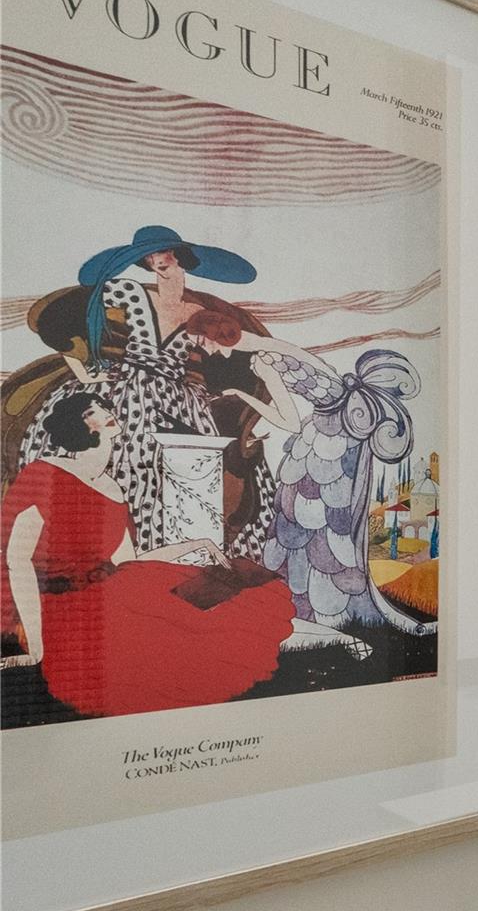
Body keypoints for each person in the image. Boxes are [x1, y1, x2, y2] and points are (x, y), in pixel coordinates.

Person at [0, 392, 297, 719]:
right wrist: (37, 646)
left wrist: (195, 544)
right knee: (160, 648)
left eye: (104, 406)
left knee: (222, 603)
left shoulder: (112, 486)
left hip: (109, 591)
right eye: (91, 411)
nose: (105, 411)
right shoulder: (44, 472)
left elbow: (129, 561)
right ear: (78, 425)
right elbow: (18, 561)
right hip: (62, 607)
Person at [14, 226, 276, 560]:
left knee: (198, 473)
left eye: (162, 253)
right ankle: (120, 559)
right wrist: (87, 373)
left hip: (181, 401)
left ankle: (179, 559)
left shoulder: (199, 315)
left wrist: (201, 392)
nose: (156, 261)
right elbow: (77, 330)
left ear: (180, 257)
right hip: (127, 389)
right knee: (127, 463)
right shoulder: (127, 293)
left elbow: (207, 363)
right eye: (148, 257)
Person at [188, 316, 434, 635]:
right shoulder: (265, 347)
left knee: (309, 518)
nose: (203, 350)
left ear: (213, 336)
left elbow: (289, 421)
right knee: (313, 520)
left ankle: (316, 609)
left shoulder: (263, 361)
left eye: (201, 342)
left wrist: (242, 396)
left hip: (326, 443)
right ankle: (311, 605)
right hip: (333, 433)